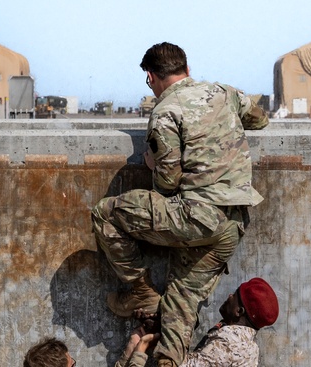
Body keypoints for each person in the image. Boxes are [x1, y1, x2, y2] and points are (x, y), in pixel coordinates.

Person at [91, 42, 269, 367]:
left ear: (150, 77)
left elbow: (167, 183)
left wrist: (150, 163)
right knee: (181, 299)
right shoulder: (223, 91)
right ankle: (169, 361)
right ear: (186, 68)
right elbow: (259, 119)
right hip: (234, 222)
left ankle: (140, 290)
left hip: (195, 217)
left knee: (106, 213)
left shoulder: (165, 112)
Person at [116, 277, 279, 367]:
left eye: (234, 295)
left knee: (137, 342)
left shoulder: (226, 345)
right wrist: (164, 331)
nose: (229, 296)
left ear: (239, 311)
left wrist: (142, 347)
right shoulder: (250, 349)